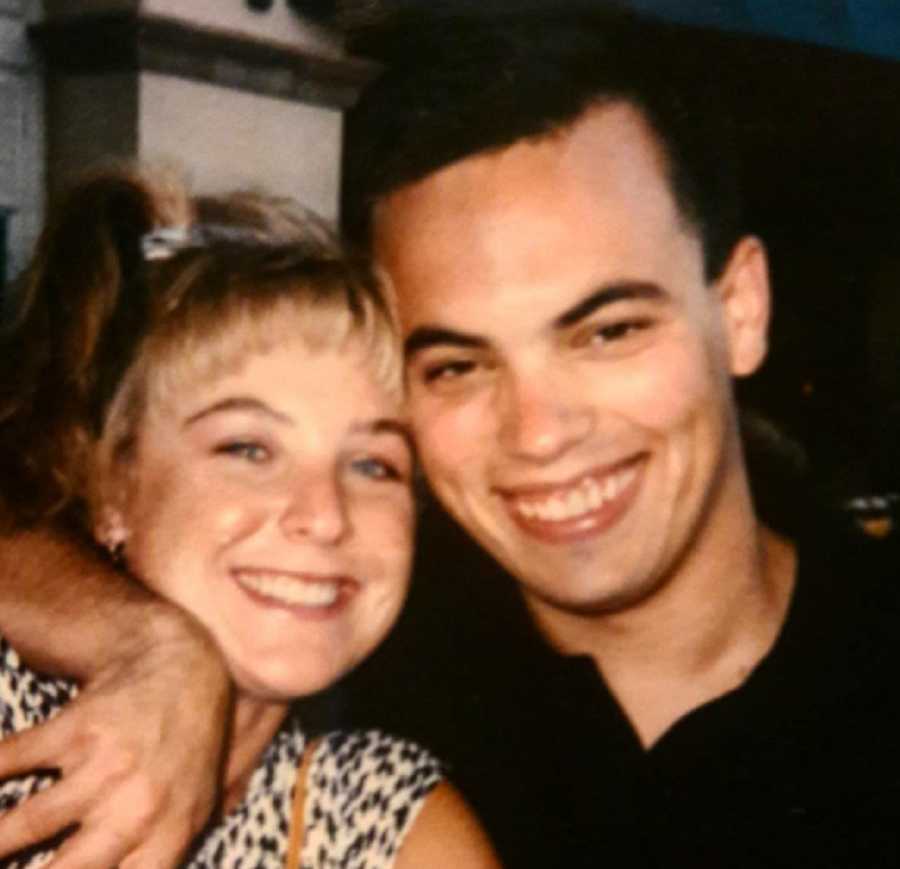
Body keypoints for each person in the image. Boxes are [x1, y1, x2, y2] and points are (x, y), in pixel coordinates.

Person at [2, 7, 900, 868]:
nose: (541, 433)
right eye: (458, 366)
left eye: (608, 330)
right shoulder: (352, 610)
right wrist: (140, 642)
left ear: (739, 309)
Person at [0, 167, 498, 867]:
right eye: (249, 447)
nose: (325, 516)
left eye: (373, 464)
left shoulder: (376, 819)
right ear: (113, 485)